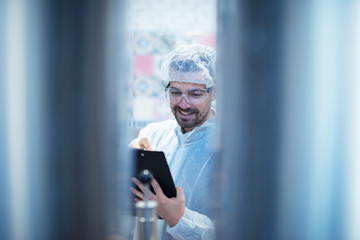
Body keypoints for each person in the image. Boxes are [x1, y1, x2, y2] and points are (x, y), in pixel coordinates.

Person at [130, 44, 217, 240]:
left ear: (214, 93)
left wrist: (179, 218)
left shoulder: (226, 148)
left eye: (195, 94)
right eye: (176, 92)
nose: (183, 104)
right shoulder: (153, 134)